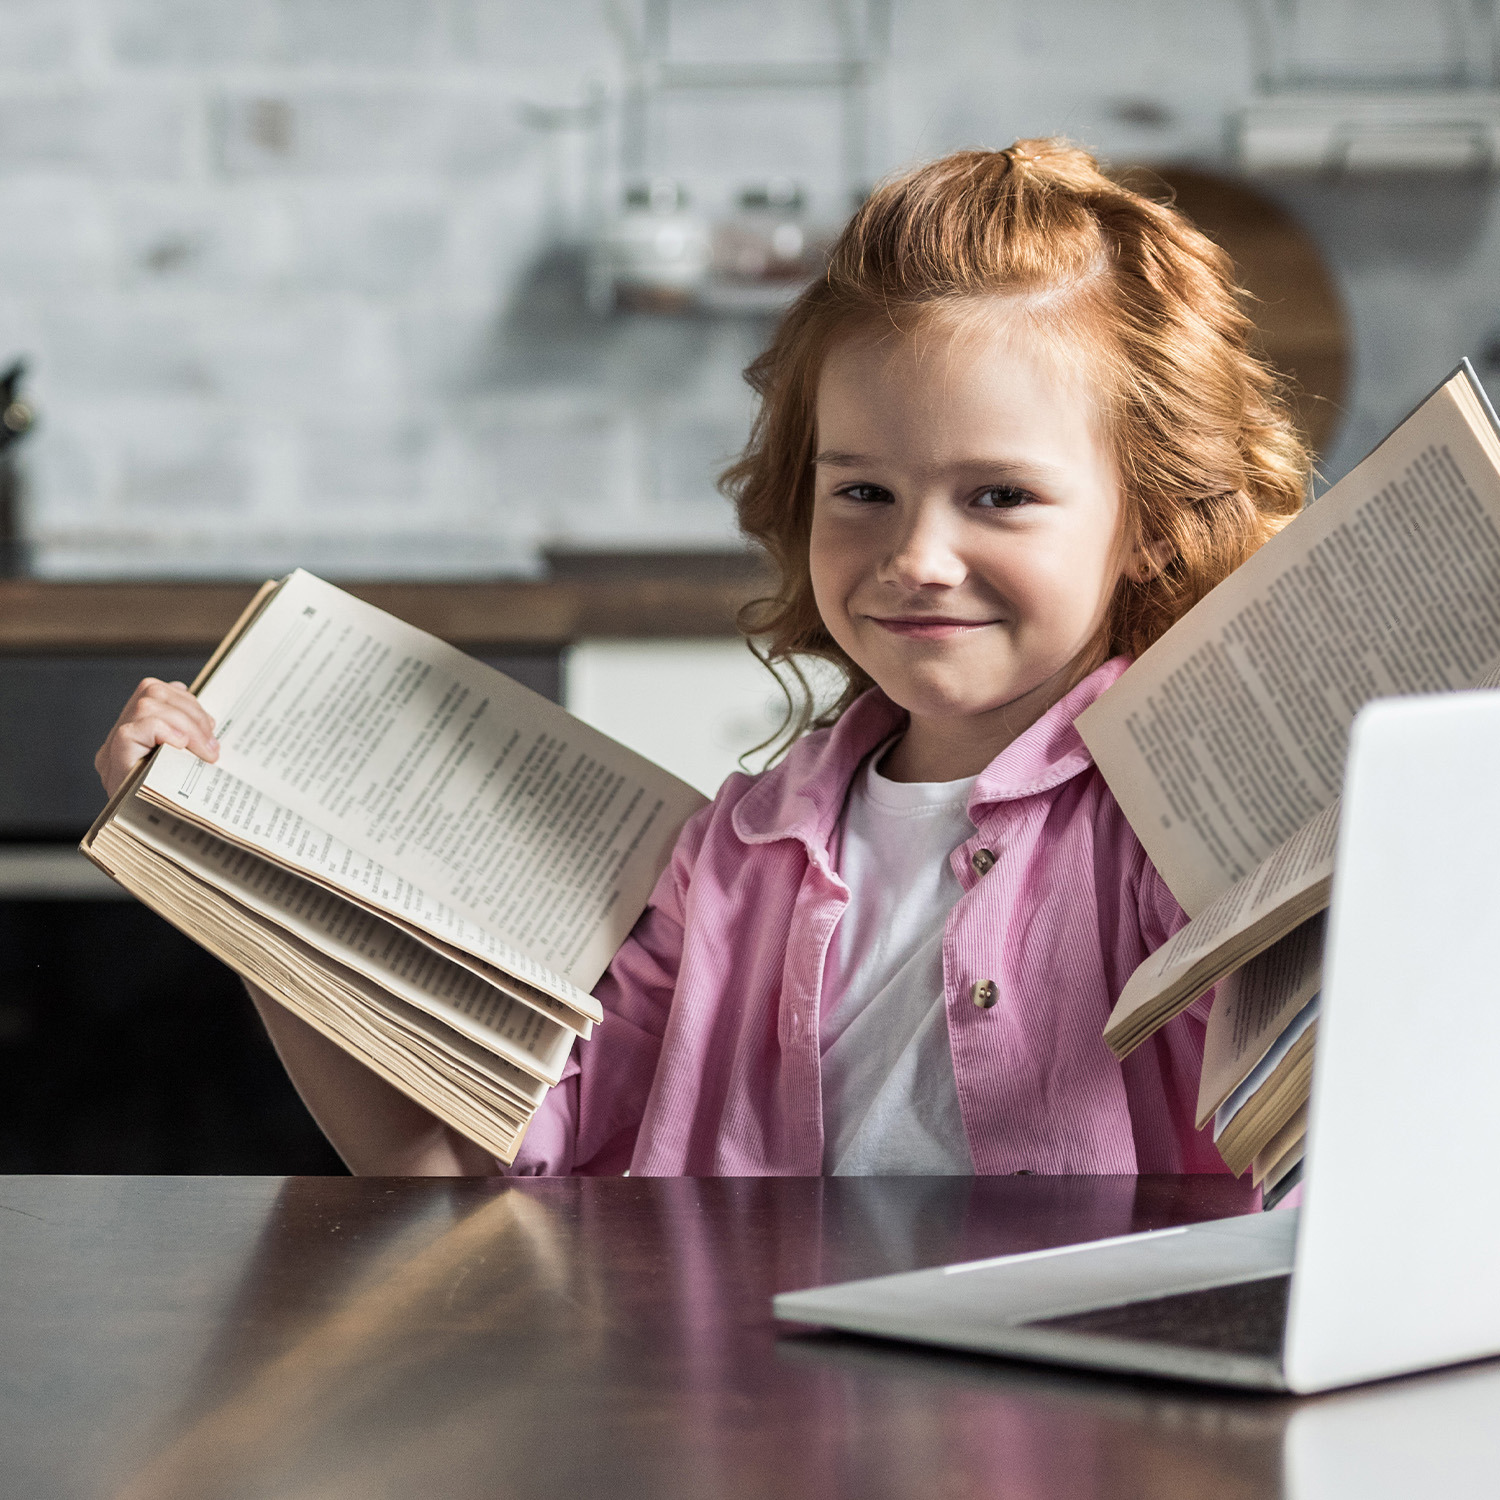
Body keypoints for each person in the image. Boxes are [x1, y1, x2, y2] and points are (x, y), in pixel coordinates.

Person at [96, 141, 1307, 1178]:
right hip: (751, 1435)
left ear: (1146, 518)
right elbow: (453, 1165)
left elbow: (1314, 1143)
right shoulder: (730, 862)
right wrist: (224, 870)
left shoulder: (1166, 825)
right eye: (865, 492)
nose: (918, 556)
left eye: (999, 495)